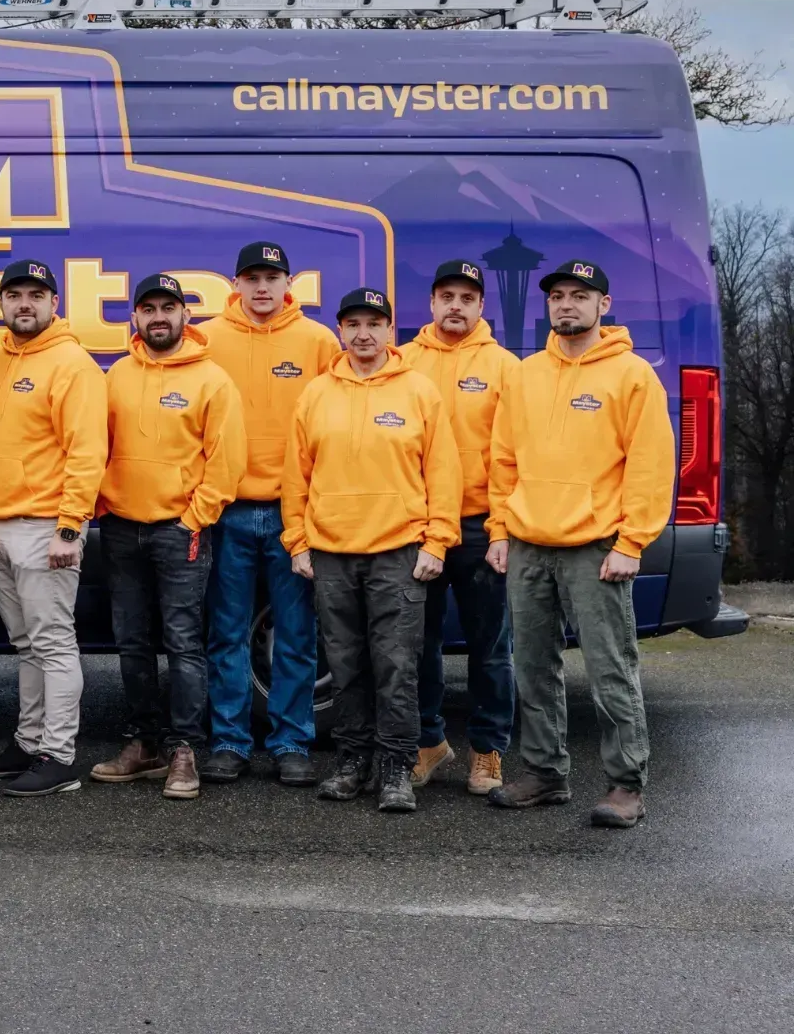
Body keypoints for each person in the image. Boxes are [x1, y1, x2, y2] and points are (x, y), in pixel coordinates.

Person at [486, 260, 673, 828]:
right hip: (527, 544)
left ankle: (625, 784)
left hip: (596, 547)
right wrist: (499, 531)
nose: (567, 305)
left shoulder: (633, 375)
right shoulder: (524, 374)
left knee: (609, 667)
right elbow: (502, 460)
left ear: (604, 305)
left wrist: (632, 542)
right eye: (558, 296)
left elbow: (650, 466)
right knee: (533, 667)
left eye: (580, 296)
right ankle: (545, 773)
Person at [284, 288, 461, 813]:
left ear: (390, 331)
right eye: (353, 323)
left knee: (396, 666)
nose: (363, 333)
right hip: (331, 551)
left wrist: (437, 541)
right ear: (340, 331)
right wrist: (298, 540)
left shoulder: (419, 393)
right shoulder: (316, 393)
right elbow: (296, 476)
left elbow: (444, 473)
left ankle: (396, 769)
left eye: (374, 323)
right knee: (346, 666)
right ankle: (353, 761)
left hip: (399, 552)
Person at [92, 273, 245, 801]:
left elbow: (226, 462)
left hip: (180, 531)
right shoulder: (116, 376)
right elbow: (96, 447)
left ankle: (184, 749)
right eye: (149, 308)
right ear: (135, 317)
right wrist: (103, 506)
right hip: (120, 528)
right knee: (132, 642)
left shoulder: (212, 380)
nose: (159, 317)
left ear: (185, 316)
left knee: (183, 643)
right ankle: (143, 743)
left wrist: (193, 517)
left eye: (169, 308)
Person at [200, 241, 340, 787]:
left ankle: (291, 741)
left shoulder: (318, 341)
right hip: (228, 512)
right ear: (235, 284)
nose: (262, 288)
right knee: (227, 636)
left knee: (297, 635)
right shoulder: (207, 340)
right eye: (251, 278)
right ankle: (231, 741)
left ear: (289, 284)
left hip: (294, 517)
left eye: (272, 277)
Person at [0, 259, 108, 798]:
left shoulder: (72, 364)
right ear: (0, 304)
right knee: (25, 644)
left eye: (36, 294)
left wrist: (70, 528)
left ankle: (60, 754)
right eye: (14, 295)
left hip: (46, 523)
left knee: (52, 643)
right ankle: (28, 744)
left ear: (55, 303)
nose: (24, 304)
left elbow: (87, 451)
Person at [398, 260, 521, 796]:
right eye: (446, 295)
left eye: (466, 298)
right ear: (430, 302)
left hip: (478, 527)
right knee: (416, 644)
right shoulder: (401, 362)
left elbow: (514, 456)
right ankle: (428, 743)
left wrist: (502, 530)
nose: (455, 305)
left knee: (490, 646)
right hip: (416, 526)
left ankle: (487, 751)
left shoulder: (506, 368)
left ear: (480, 306)